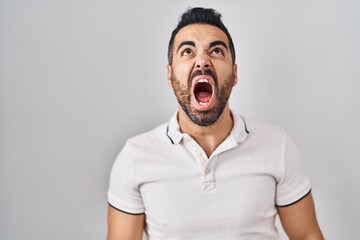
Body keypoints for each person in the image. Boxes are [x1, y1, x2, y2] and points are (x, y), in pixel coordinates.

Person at [107, 7, 324, 240]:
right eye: (187, 51)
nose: (202, 61)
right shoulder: (135, 157)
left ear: (235, 73)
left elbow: (307, 235)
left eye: (216, 51)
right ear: (170, 75)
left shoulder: (277, 145)